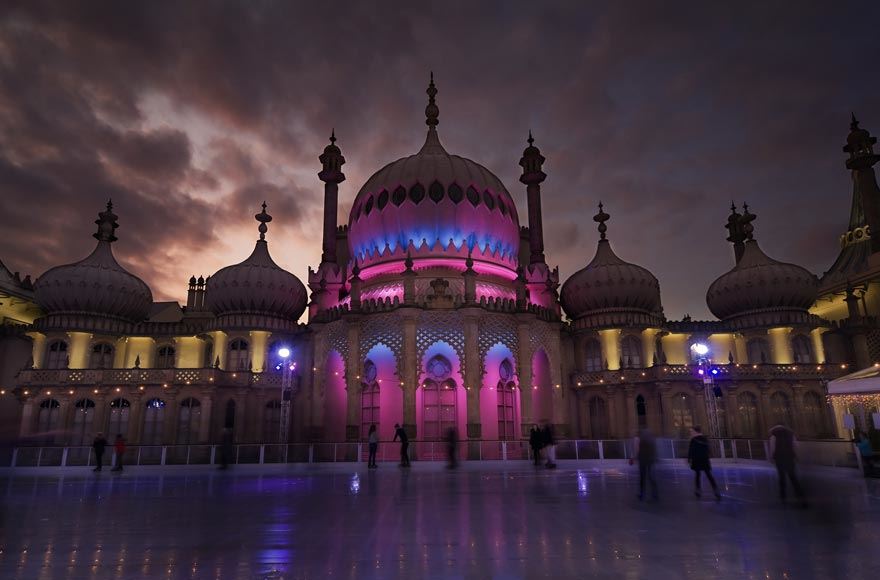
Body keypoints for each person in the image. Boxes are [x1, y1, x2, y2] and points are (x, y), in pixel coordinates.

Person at [769, 424, 806, 505]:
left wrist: (771, 457)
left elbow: (772, 448)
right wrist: (797, 456)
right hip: (789, 458)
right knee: (793, 478)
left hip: (779, 459)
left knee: (782, 478)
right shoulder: (790, 435)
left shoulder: (773, 436)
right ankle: (800, 497)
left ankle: (783, 497)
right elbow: (795, 446)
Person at [687, 426, 721, 500]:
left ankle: (698, 490)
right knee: (708, 474)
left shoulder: (693, 440)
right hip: (704, 459)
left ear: (695, 431)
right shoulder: (705, 439)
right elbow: (708, 449)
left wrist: (689, 459)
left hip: (697, 459)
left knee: (698, 475)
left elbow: (691, 450)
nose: (691, 432)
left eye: (692, 431)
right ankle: (715, 490)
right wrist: (709, 454)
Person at [634, 428, 658, 501]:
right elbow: (654, 450)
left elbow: (637, 450)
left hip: (643, 460)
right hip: (650, 460)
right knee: (651, 478)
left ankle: (642, 494)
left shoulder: (639, 440)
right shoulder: (651, 440)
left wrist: (634, 458)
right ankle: (654, 494)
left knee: (642, 478)